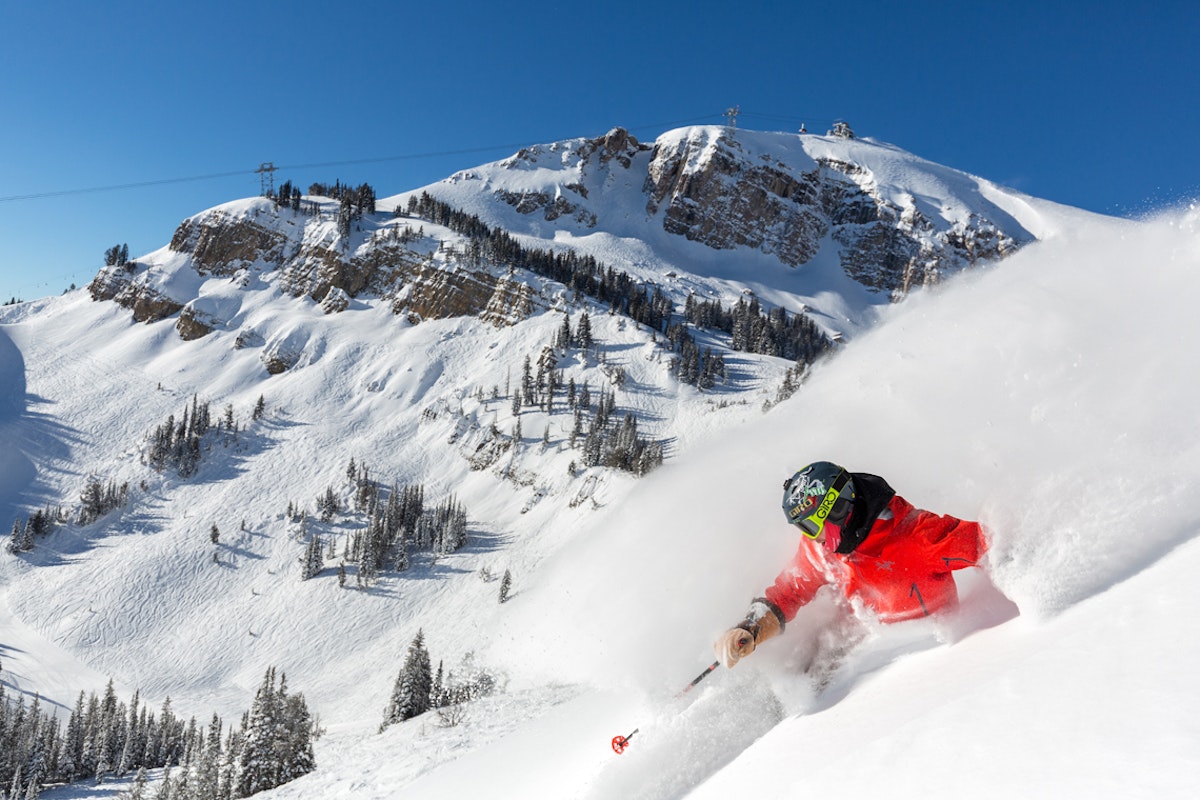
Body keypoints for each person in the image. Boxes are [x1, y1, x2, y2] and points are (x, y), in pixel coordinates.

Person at [714, 461, 988, 669]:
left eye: (811, 526)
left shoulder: (916, 537)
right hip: (856, 655)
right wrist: (750, 629)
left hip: (923, 656)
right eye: (804, 529)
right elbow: (789, 592)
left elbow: (990, 542)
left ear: (836, 510)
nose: (812, 538)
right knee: (801, 670)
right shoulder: (822, 549)